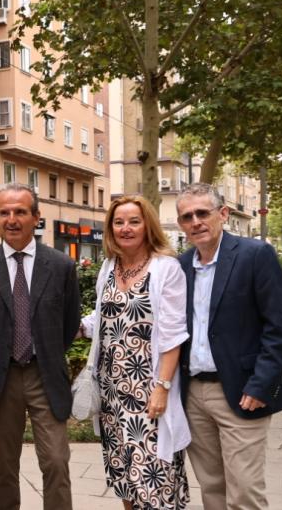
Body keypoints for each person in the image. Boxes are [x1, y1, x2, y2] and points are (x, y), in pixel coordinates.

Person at [176, 183, 282, 510]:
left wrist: (261, 385)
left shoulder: (255, 255)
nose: (196, 221)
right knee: (212, 488)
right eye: (187, 216)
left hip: (243, 392)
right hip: (193, 394)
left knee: (244, 493)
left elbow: (279, 328)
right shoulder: (181, 266)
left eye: (203, 213)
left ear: (223, 214)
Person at [79, 195, 190, 509]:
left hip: (148, 393)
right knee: (124, 478)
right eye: (118, 222)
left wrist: (162, 387)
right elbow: (104, 315)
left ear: (147, 226)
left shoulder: (165, 268)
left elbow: (173, 335)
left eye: (134, 221)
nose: (125, 228)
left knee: (155, 480)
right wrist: (77, 326)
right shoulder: (109, 267)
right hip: (112, 393)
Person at [0, 184, 81, 510]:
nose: (11, 219)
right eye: (4, 212)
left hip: (44, 374)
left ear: (37, 217)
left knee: (55, 461)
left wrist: (45, 352)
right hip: (2, 378)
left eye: (20, 211)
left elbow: (69, 323)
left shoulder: (61, 266)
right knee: (4, 466)